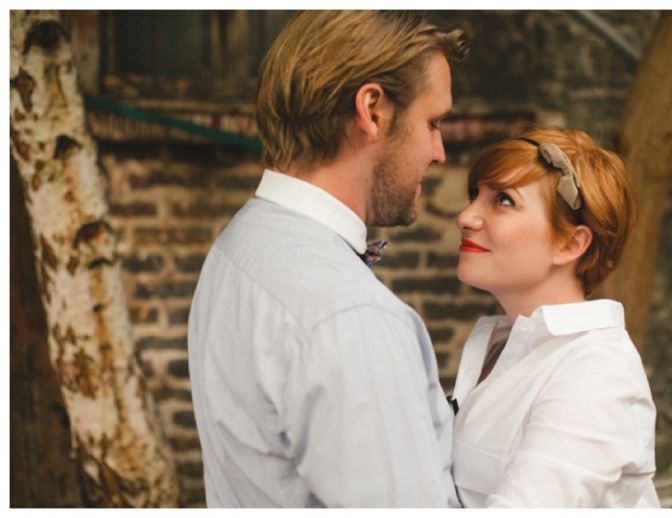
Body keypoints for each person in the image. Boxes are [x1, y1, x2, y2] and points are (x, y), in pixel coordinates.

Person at [187, 11, 467, 507]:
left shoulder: (239, 244)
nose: (439, 150)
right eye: (433, 122)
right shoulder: (352, 320)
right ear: (373, 110)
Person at [449, 128, 660, 507]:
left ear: (570, 244)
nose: (465, 216)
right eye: (474, 195)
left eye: (503, 200)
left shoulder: (595, 371)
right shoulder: (499, 344)